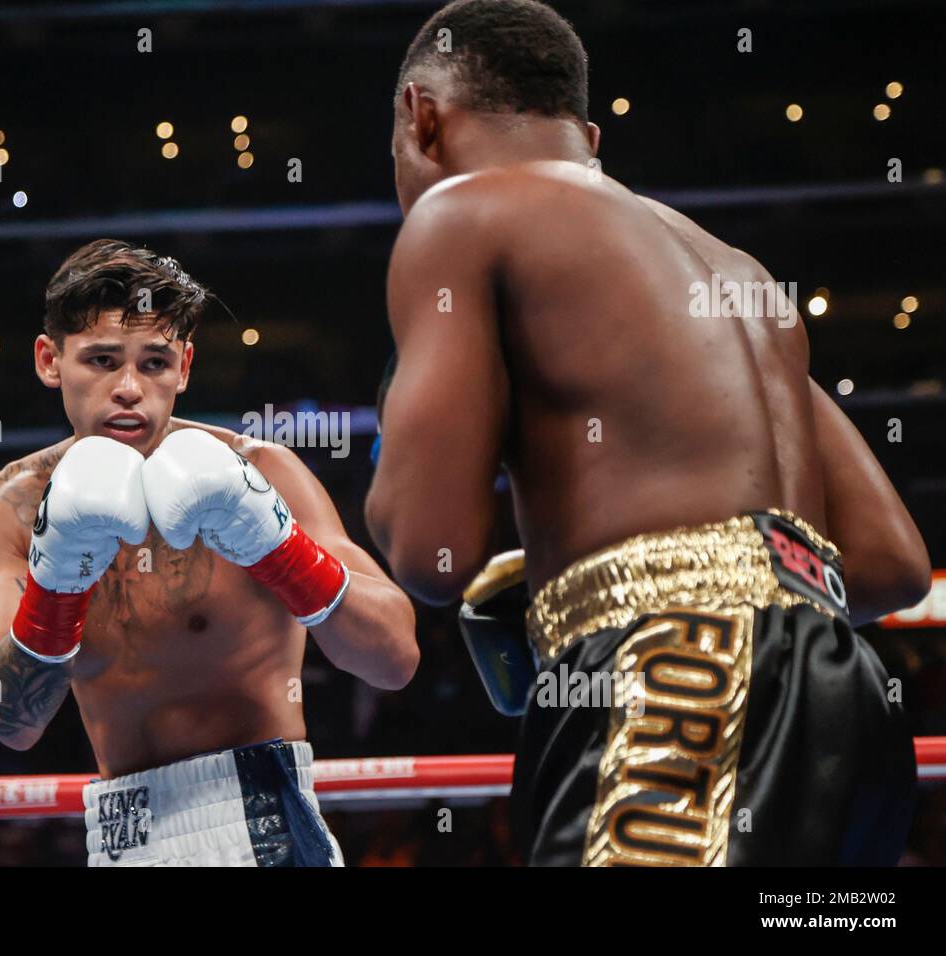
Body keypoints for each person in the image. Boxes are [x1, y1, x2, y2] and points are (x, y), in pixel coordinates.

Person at [366, 0, 929, 865]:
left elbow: (427, 554)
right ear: (589, 139)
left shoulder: (462, 213)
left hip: (676, 676)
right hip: (846, 708)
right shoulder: (734, 271)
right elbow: (888, 563)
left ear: (422, 116)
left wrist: (407, 438)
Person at [0, 239, 417, 866]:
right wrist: (58, 582)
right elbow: (11, 722)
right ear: (50, 361)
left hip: (261, 821)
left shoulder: (260, 470)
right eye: (101, 360)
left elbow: (394, 658)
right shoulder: (5, 508)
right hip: (120, 834)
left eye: (154, 363)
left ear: (185, 366)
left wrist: (277, 549)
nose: (129, 388)